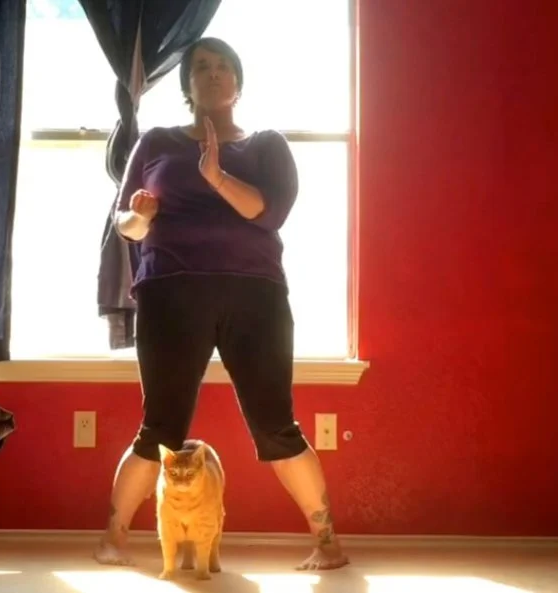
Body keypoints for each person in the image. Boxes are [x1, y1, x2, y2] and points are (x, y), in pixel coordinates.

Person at [93, 36, 349, 572]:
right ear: (187, 85)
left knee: (276, 424)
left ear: (238, 82)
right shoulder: (157, 142)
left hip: (254, 295)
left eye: (223, 66)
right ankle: (113, 539)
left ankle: (328, 544)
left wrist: (217, 177)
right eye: (201, 67)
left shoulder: (266, 145)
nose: (213, 73)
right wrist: (141, 216)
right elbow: (125, 224)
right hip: (170, 293)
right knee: (160, 426)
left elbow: (270, 212)